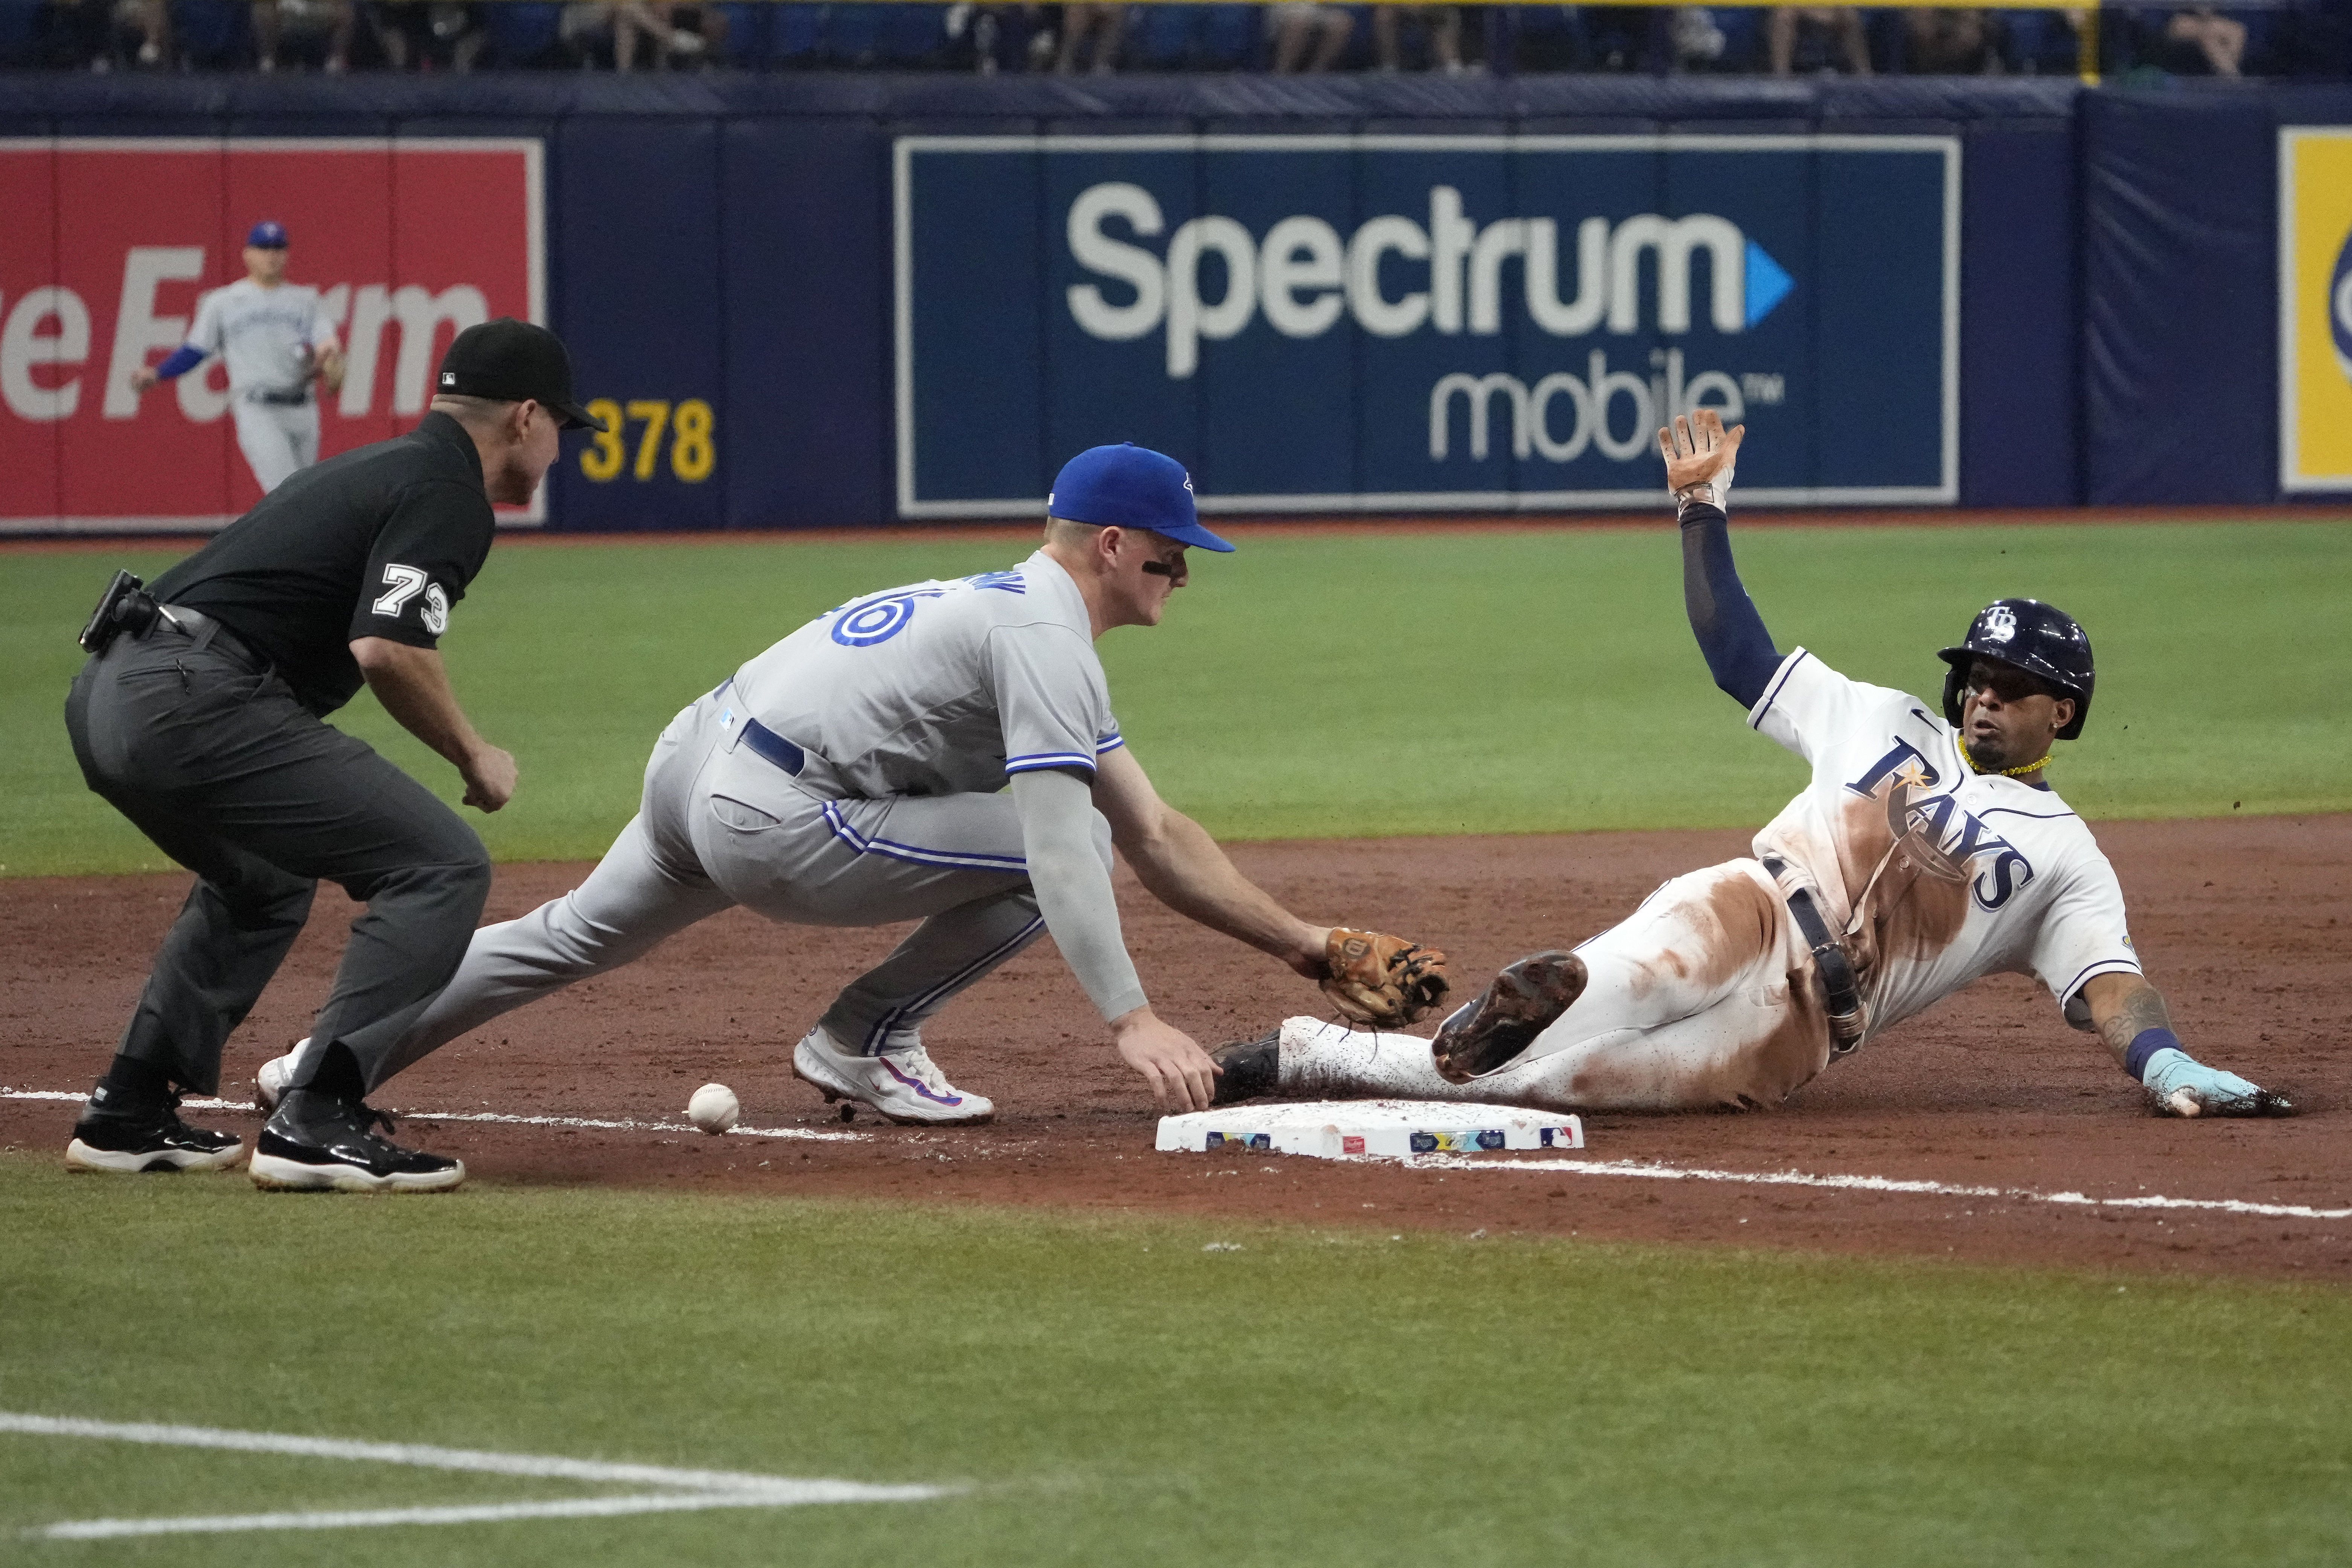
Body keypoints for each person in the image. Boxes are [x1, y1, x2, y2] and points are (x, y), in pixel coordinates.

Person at [263, 445, 1419, 1128]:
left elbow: (1156, 828)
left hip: (699, 759)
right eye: (1172, 551)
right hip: (770, 813)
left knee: (563, 935)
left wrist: (1304, 943)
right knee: (1039, 852)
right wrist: (1132, 1017)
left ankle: (325, 1065)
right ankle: (863, 1039)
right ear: (1112, 544)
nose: (1184, 571)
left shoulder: (1021, 614)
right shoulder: (1044, 637)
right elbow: (1068, 849)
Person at [1210, 409, 2294, 1122]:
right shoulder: (1881, 714)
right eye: (1976, 675)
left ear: (2065, 709)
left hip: (1804, 1030)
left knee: (1556, 1088)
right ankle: (1512, 1004)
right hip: (1745, 909)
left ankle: (1306, 1053)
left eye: (2010, 685)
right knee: (1600, 994)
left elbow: (2109, 979)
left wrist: (2162, 1059)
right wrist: (1701, 510)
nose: (1983, 695)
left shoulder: (2068, 858)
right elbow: (1741, 655)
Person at [63, 319, 603, 1193]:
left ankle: (128, 1108)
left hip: (107, 694)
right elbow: (386, 648)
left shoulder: (378, 465)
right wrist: (474, 756)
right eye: (560, 430)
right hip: (189, 698)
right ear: (525, 416)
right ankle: (319, 1116)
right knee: (441, 862)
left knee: (265, 881)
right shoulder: (447, 488)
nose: (557, 450)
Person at [130, 221, 346, 497]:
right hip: (258, 408)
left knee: (306, 495)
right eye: (264, 248)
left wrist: (328, 358)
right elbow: (196, 349)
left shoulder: (306, 300)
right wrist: (159, 373)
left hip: (303, 408)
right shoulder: (224, 302)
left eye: (278, 248)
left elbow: (327, 344)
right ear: (247, 254)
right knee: (287, 494)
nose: (271, 255)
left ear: (287, 254)